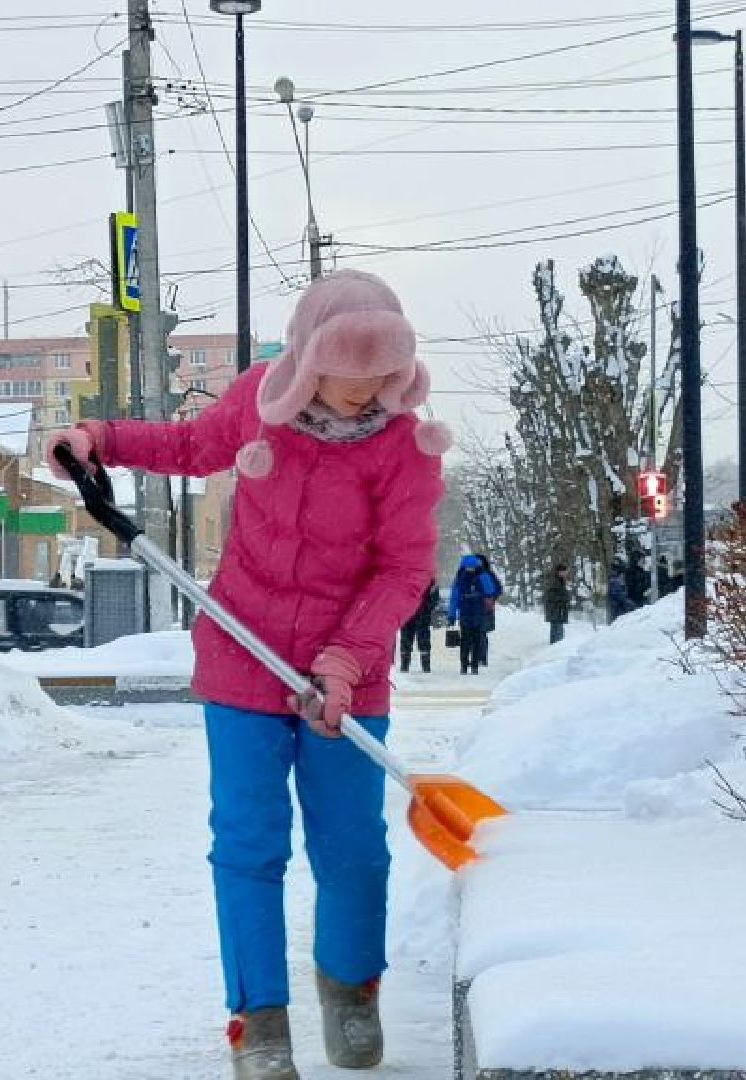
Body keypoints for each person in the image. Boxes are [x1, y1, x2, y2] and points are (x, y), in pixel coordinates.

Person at [45, 270, 447, 1080]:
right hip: (243, 653)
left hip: (348, 671)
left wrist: (344, 661)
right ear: (306, 364)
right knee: (250, 844)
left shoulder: (405, 444)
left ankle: (351, 986)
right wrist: (102, 440)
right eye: (346, 384)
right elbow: (191, 449)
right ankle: (257, 1019)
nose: (361, 401)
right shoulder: (263, 400)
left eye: (378, 386)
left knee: (352, 850)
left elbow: (403, 570)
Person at [398, 578, 441, 674]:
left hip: (420, 615)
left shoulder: (429, 579)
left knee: (423, 640)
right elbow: (398, 595)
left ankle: (425, 666)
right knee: (406, 639)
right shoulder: (405, 577)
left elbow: (435, 597)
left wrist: (427, 608)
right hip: (409, 614)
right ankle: (405, 665)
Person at [543, 565, 572, 645]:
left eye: (566, 572)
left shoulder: (561, 580)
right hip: (555, 610)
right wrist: (563, 598)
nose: (566, 573)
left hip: (558, 610)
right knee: (557, 631)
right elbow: (551, 596)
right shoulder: (554, 581)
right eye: (564, 572)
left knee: (557, 629)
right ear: (560, 572)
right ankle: (556, 650)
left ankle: (555, 648)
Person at [605, 557, 631, 621]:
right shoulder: (615, 580)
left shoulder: (615, 579)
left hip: (618, 609)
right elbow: (619, 595)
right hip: (618, 610)